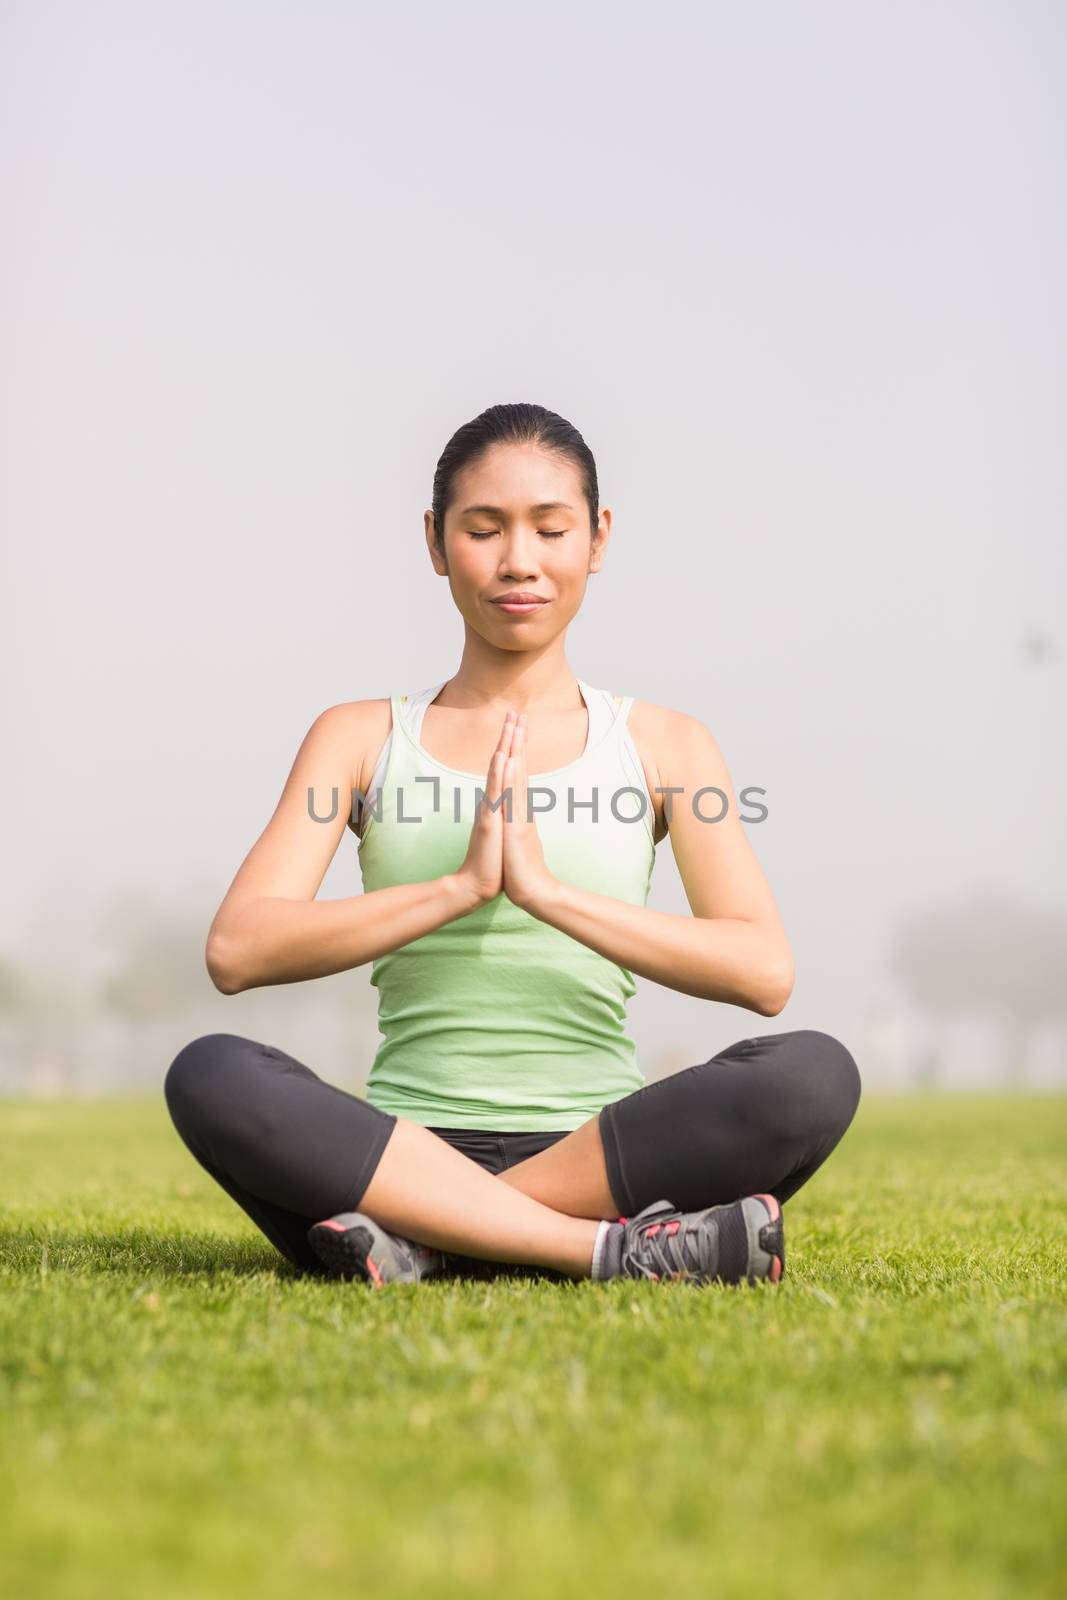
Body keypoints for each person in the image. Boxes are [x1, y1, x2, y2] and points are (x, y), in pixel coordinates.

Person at [164, 402, 861, 1289]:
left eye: (550, 528)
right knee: (212, 1073)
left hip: (603, 1152)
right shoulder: (357, 737)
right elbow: (238, 949)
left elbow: (760, 971)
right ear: (434, 540)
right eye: (483, 529)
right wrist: (457, 888)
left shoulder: (666, 745)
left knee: (810, 1075)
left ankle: (426, 1242)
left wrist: (547, 895)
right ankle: (600, 1250)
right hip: (394, 1149)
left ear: (597, 537)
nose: (517, 561)